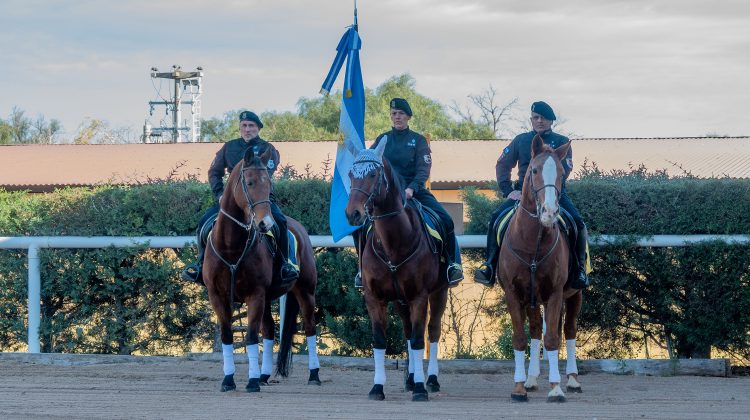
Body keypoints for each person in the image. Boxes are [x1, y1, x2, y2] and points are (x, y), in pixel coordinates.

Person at [474, 101, 590, 289]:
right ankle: (489, 266)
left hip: (554, 194)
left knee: (578, 223)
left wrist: (549, 190)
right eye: (535, 118)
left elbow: (565, 168)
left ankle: (579, 269)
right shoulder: (521, 140)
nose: (539, 121)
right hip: (522, 194)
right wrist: (508, 190)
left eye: (543, 118)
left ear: (551, 120)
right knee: (495, 219)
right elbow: (502, 164)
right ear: (531, 120)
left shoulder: (561, 141)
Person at [352, 98, 464, 288]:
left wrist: (412, 187)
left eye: (401, 114)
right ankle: (362, 269)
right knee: (358, 226)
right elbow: (370, 163)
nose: (397, 117)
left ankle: (452, 265)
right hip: (386, 197)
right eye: (394, 113)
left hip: (414, 192)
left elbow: (424, 169)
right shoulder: (382, 140)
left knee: (445, 219)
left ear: (408, 117)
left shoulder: (418, 140)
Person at [181, 110, 299, 286]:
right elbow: (214, 172)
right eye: (244, 126)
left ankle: (285, 265)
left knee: (280, 222)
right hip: (231, 203)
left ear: (258, 128)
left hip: (260, 201)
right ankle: (199, 264)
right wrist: (220, 194)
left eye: (251, 126)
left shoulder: (268, 149)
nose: (247, 129)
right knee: (204, 223)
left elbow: (265, 176)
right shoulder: (229, 147)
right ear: (240, 128)